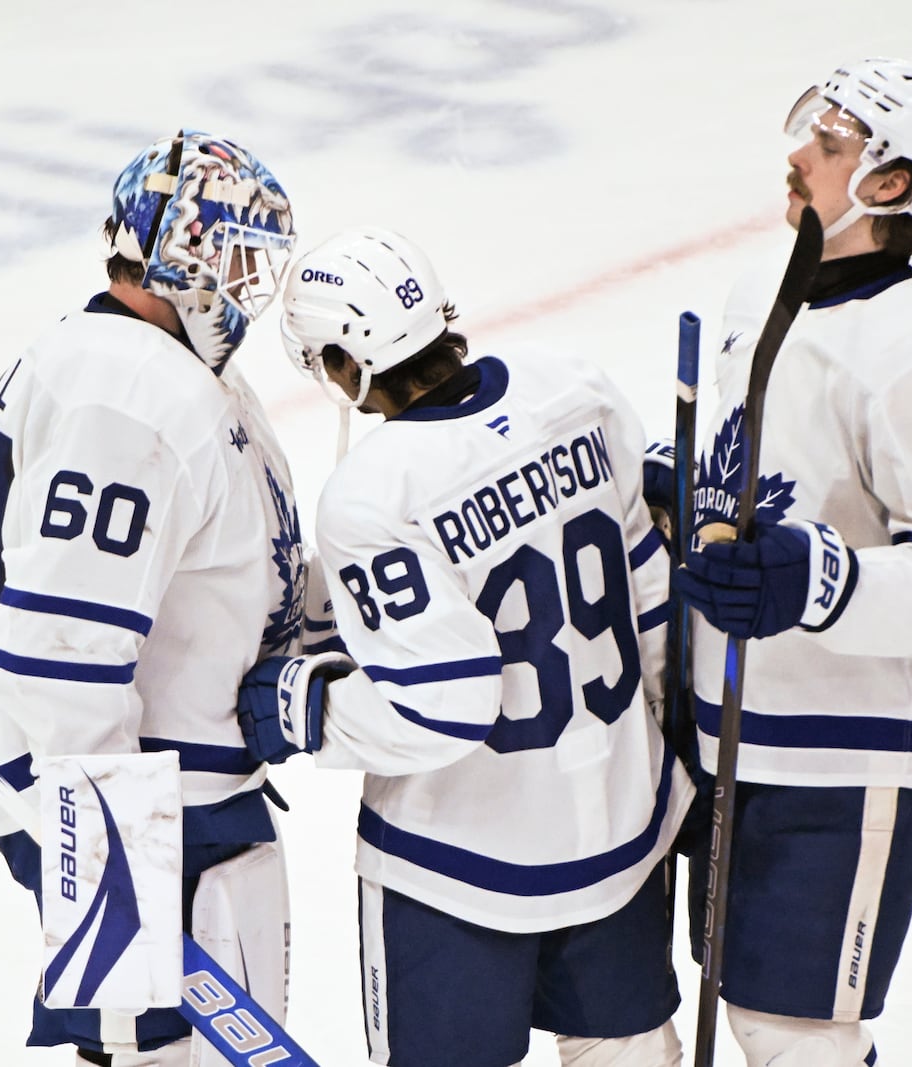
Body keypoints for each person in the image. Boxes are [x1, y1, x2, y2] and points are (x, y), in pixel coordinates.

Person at [235, 227, 695, 1067]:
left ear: (349, 361)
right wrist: (685, 752)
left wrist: (312, 709)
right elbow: (653, 587)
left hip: (458, 867)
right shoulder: (574, 386)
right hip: (621, 829)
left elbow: (442, 705)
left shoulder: (375, 494)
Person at [671, 58, 912, 1067]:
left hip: (852, 745)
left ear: (891, 182)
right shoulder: (761, 290)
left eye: (828, 145)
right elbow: (753, 469)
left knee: (796, 1029)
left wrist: (820, 580)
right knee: (749, 1005)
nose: (797, 156)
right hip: (740, 720)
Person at [0, 128, 305, 1066]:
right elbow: (56, 645)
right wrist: (108, 863)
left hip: (185, 787)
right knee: (154, 1052)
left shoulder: (171, 372)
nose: (244, 283)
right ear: (176, 249)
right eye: (231, 254)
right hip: (131, 798)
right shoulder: (122, 388)